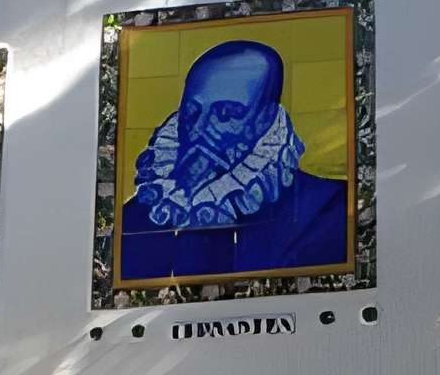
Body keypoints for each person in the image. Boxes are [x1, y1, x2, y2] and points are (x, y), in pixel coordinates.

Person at [118, 38, 347, 282]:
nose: (201, 129)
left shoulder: (330, 209)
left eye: (227, 113)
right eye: (192, 112)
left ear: (266, 118)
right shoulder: (136, 217)